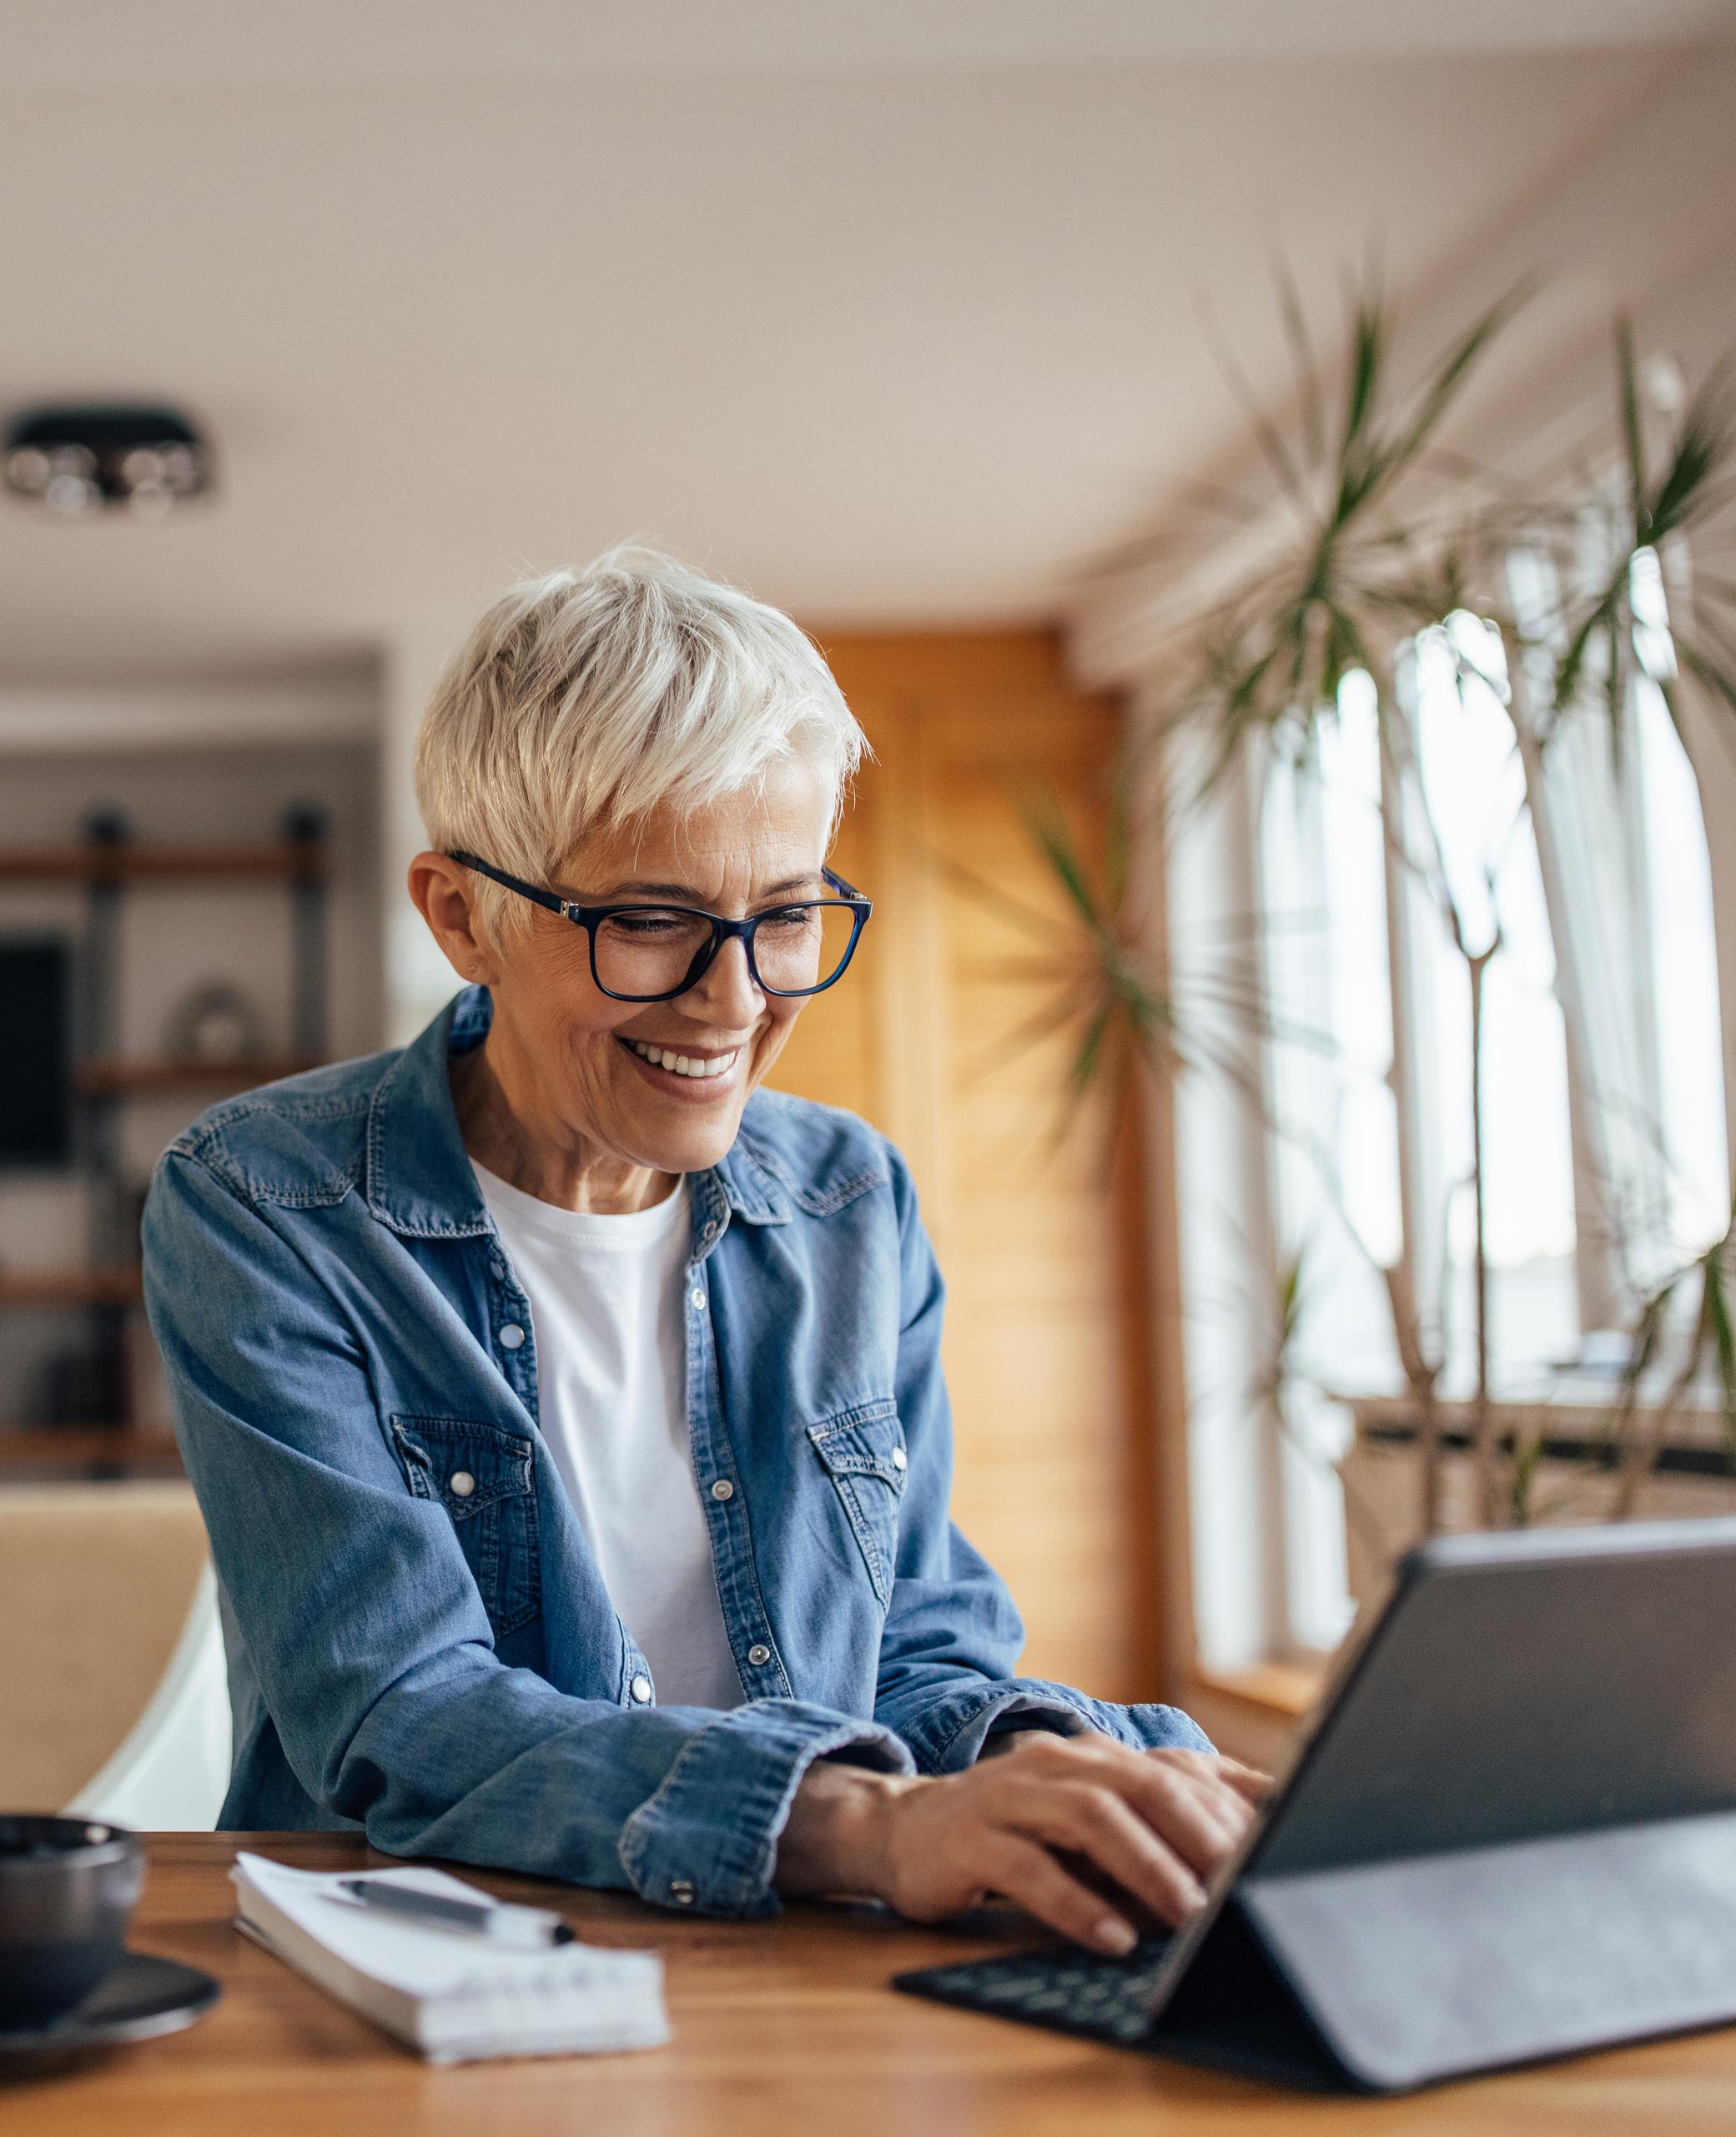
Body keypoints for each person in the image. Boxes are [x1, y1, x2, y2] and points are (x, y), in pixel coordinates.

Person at [142, 547, 1264, 1956]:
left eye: (785, 915)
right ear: (460, 914)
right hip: (434, 1970)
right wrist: (866, 1824)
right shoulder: (267, 1204)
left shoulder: (851, 1199)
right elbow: (402, 1711)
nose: (733, 998)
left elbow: (918, 1642)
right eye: (652, 921)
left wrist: (1050, 1769)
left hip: (805, 1957)